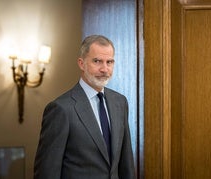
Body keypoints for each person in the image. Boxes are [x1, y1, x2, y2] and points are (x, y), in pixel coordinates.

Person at [34, 35, 136, 179]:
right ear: (81, 64)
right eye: (97, 61)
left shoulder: (120, 102)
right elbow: (47, 172)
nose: (105, 69)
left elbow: (126, 163)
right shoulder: (60, 109)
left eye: (109, 62)